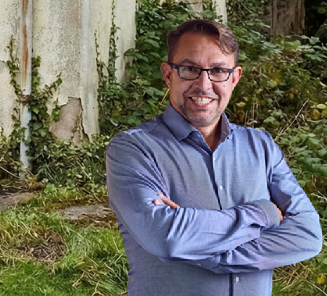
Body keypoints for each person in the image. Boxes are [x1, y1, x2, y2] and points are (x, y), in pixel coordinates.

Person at [106, 18, 322, 296]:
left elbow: (308, 235)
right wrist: (263, 213)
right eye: (190, 69)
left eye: (218, 70)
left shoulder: (261, 146)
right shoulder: (134, 149)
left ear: (235, 78)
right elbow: (166, 237)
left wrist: (209, 254)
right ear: (168, 75)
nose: (203, 84)